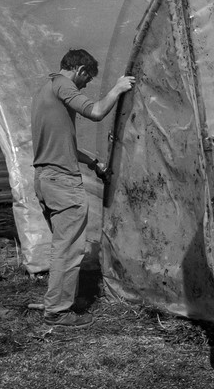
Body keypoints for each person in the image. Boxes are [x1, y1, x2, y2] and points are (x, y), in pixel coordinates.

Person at [29, 48, 135, 326]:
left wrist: (92, 162)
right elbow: (96, 111)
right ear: (80, 71)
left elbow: (63, 146)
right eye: (88, 79)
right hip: (62, 183)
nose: (87, 85)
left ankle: (55, 300)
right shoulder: (64, 84)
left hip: (45, 178)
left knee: (62, 246)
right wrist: (118, 89)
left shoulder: (46, 91)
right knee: (69, 249)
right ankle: (57, 312)